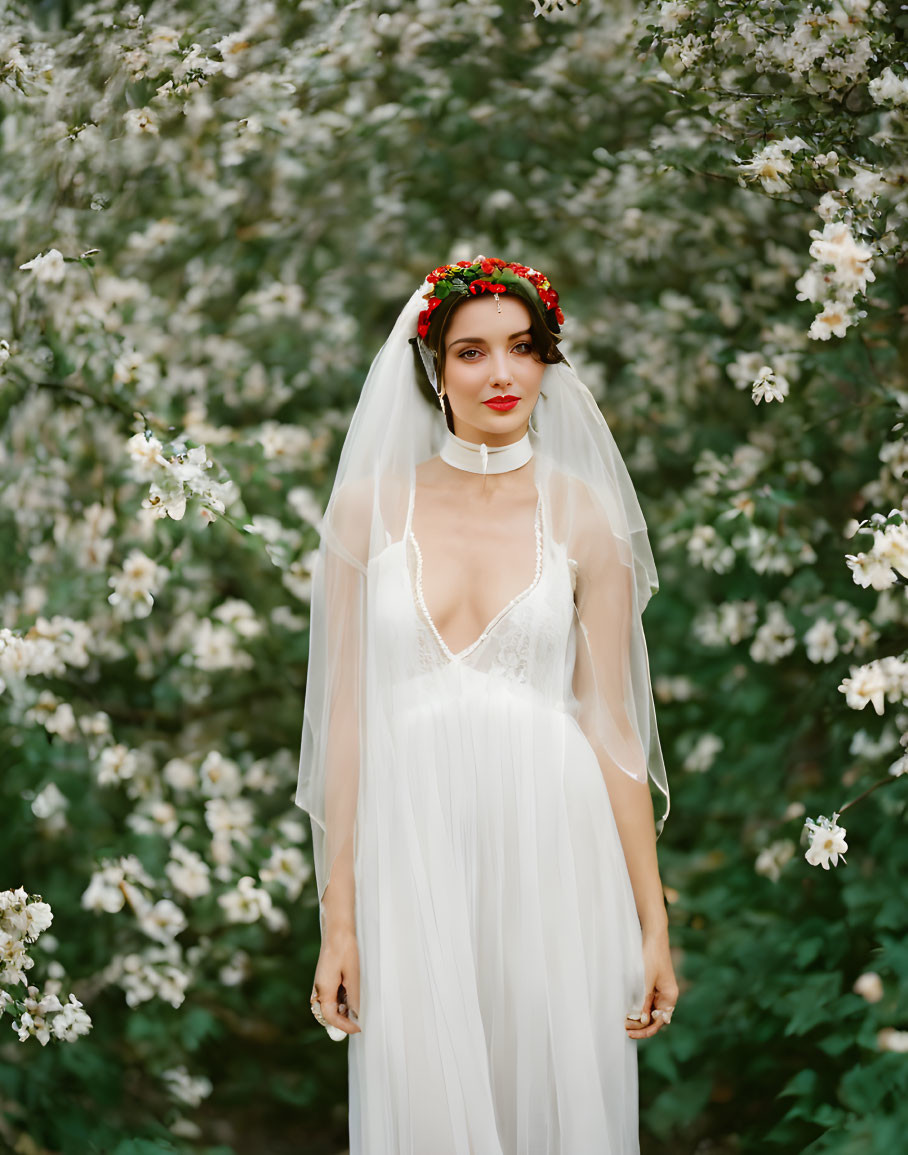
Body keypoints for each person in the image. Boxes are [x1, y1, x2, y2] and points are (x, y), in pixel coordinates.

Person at [296, 256, 678, 1154]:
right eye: (472, 352)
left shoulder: (586, 518)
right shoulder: (364, 511)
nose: (501, 374)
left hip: (557, 846)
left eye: (522, 348)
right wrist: (337, 917)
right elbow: (342, 723)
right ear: (433, 365)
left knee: (553, 1099)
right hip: (412, 852)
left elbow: (614, 728)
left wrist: (651, 920)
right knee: (422, 1104)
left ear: (548, 361)